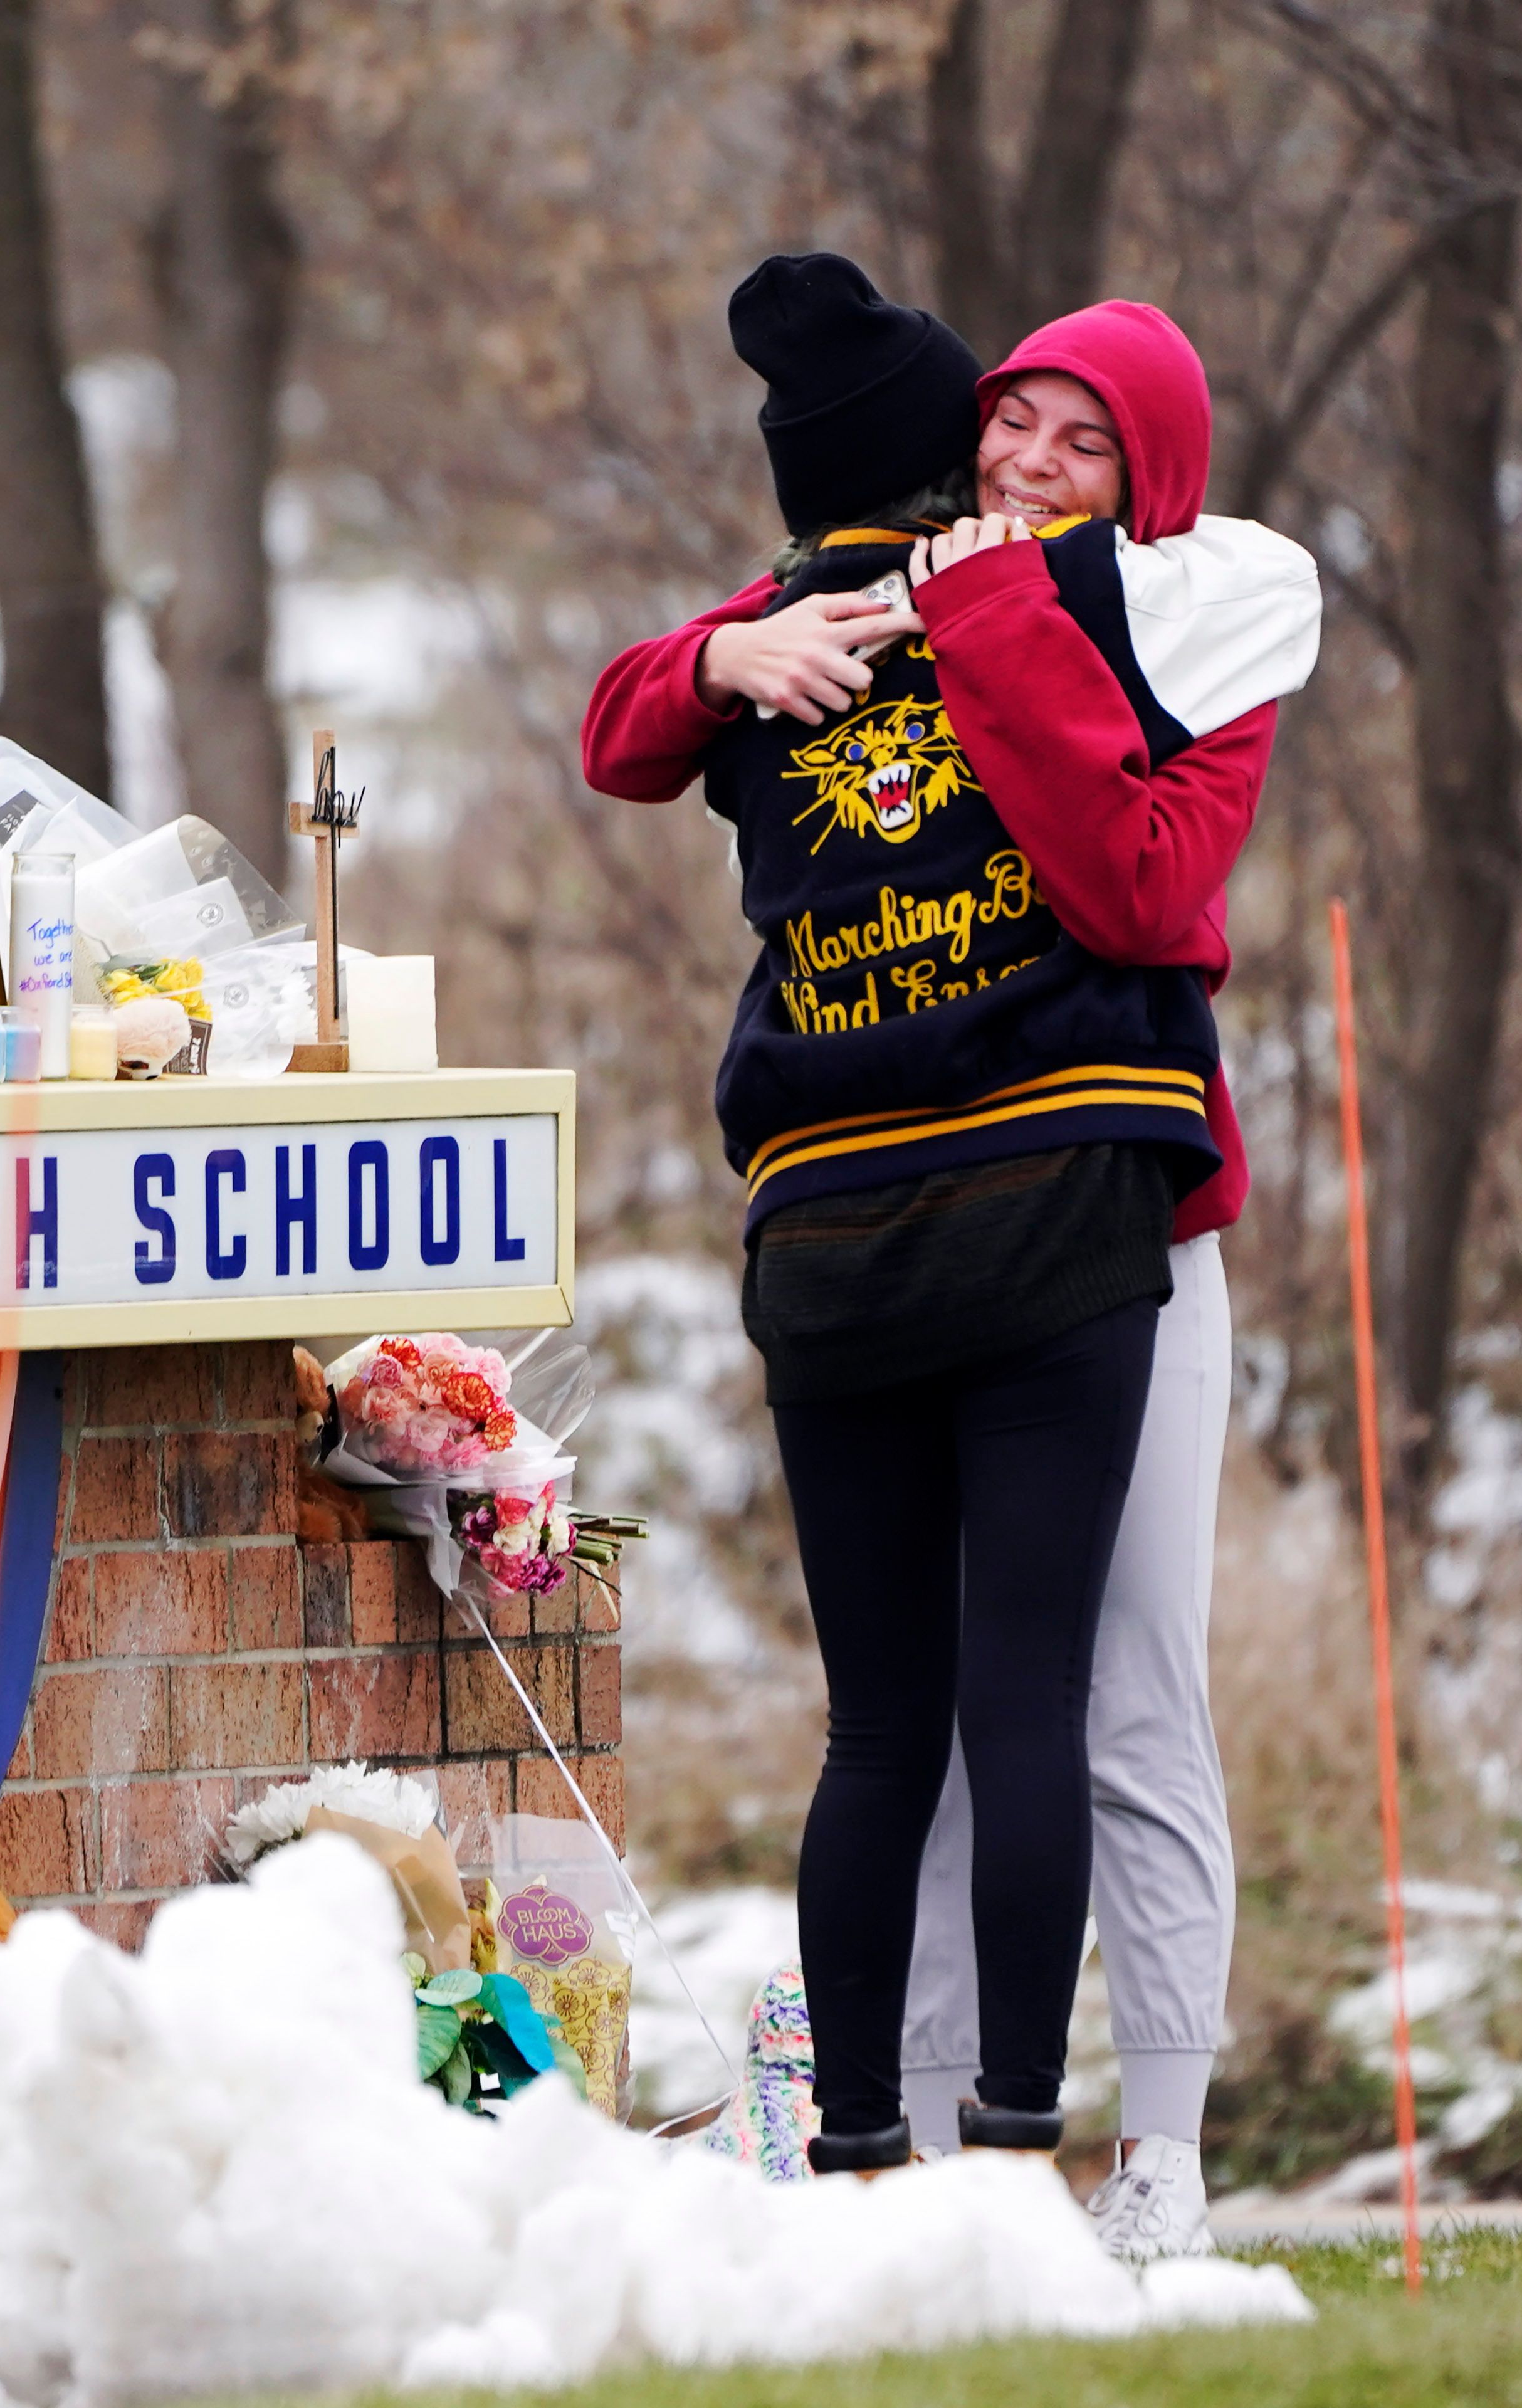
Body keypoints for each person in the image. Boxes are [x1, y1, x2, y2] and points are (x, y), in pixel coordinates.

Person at [584, 264, 1311, 2224]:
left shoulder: (1180, 628)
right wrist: (731, 666)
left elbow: (1138, 887)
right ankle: (880, 2150)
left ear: (1141, 489)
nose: (1038, 462)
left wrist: (996, 619)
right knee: (921, 1724)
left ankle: (1156, 2155)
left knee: (1122, 1691)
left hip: (1131, 1230)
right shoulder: (884, 585)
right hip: (900, 1207)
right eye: (1021, 424)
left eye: (1089, 448)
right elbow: (628, 714)